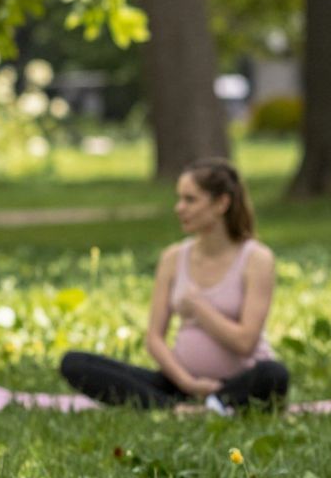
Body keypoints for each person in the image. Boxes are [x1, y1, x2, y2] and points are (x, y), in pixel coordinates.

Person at [58, 158, 289, 411]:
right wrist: (188, 383)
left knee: (274, 375)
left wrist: (199, 307)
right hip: (181, 382)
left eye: (190, 200)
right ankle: (181, 409)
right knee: (74, 363)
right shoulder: (173, 258)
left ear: (221, 203)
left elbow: (246, 343)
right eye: (179, 199)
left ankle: (212, 403)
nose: (179, 208)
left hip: (240, 382)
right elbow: (154, 339)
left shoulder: (256, 259)